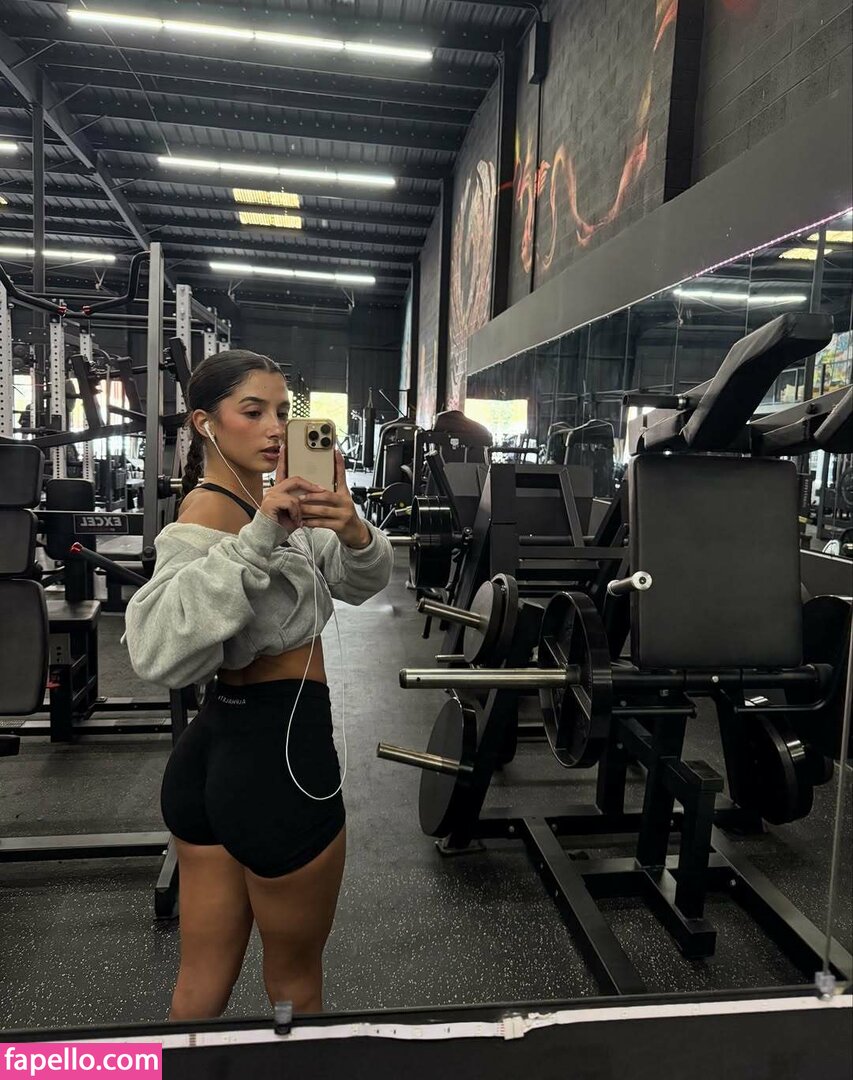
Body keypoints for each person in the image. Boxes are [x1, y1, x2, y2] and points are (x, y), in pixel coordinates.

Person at [123, 349, 393, 1021]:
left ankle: (179, 1068)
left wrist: (352, 529)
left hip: (219, 755)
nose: (275, 428)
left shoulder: (270, 501)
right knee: (296, 987)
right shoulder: (206, 515)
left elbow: (360, 582)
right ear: (205, 423)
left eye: (281, 411)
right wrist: (260, 536)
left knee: (199, 985)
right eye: (253, 411)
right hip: (278, 765)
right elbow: (154, 649)